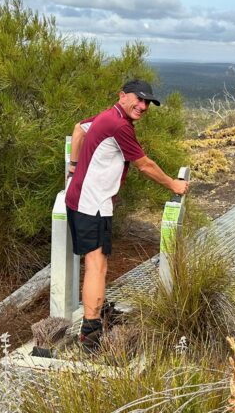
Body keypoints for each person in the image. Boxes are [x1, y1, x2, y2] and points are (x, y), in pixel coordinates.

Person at [65, 79, 188, 351]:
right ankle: (91, 333)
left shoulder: (107, 117)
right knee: (97, 265)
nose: (143, 106)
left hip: (79, 199)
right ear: (122, 96)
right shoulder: (119, 125)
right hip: (93, 205)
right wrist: (174, 184)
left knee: (96, 263)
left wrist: (73, 167)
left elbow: (78, 129)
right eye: (138, 99)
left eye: (148, 102)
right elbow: (145, 165)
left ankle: (96, 312)